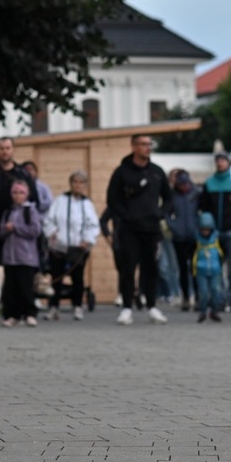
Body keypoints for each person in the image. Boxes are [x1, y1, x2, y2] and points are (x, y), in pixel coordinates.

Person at [106, 134, 172, 325]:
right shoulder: (122, 172)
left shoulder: (157, 172)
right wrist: (126, 215)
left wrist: (161, 213)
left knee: (151, 269)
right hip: (129, 229)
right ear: (134, 146)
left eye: (149, 144)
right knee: (127, 269)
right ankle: (127, 308)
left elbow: (168, 198)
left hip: (151, 228)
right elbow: (112, 199)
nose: (147, 148)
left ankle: (152, 306)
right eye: (143, 144)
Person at [0, 137, 39, 326]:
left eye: (8, 148)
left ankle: (19, 312)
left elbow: (33, 200)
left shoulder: (22, 174)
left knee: (18, 273)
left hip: (17, 234)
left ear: (13, 150)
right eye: (1, 148)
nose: (4, 151)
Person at [42, 170, 100, 321]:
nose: (78, 185)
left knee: (77, 278)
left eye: (81, 183)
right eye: (75, 182)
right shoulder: (60, 200)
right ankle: (53, 307)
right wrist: (52, 233)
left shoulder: (87, 204)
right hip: (59, 247)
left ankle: (77, 306)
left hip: (78, 248)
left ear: (85, 186)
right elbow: (48, 220)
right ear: (71, 184)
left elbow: (93, 225)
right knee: (57, 276)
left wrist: (87, 239)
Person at [198, 151, 231, 312]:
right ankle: (220, 299)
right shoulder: (210, 183)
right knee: (216, 267)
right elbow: (204, 206)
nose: (220, 163)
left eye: (223, 160)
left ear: (228, 163)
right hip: (215, 232)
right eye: (218, 161)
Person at [0, 181, 43, 327]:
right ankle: (12, 315)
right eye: (15, 193)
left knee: (26, 288)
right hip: (10, 257)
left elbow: (35, 230)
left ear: (26, 194)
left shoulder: (30, 211)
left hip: (26, 257)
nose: (18, 196)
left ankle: (30, 313)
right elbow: (0, 231)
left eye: (21, 193)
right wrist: (6, 229)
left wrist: (16, 227)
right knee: (11, 289)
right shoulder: (8, 211)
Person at [168, 170, 200, 311]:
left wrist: (199, 227)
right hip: (179, 237)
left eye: (186, 184)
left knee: (195, 269)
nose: (184, 187)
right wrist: (173, 226)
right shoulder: (172, 195)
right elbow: (166, 213)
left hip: (194, 236)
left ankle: (198, 298)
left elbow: (202, 210)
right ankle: (186, 297)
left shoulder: (196, 193)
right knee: (182, 269)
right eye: (181, 184)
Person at [192, 212, 223, 323]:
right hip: (201, 270)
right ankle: (202, 311)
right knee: (203, 292)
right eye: (203, 229)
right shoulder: (197, 239)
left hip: (215, 269)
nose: (205, 232)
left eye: (207, 229)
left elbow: (222, 252)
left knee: (215, 290)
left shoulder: (216, 238)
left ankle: (214, 310)